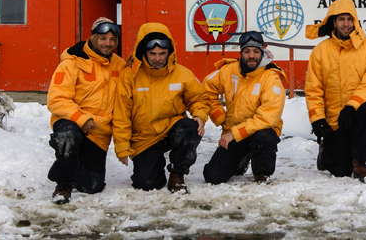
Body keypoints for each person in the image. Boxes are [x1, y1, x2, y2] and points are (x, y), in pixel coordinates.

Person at [113, 23, 210, 193]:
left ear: (169, 52)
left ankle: (177, 174)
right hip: (144, 138)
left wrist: (200, 114)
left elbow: (199, 98)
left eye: (162, 54)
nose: (158, 59)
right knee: (148, 184)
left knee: (190, 127)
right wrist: (122, 145)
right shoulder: (129, 76)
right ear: (143, 52)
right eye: (153, 54)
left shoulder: (182, 73)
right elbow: (121, 112)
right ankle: (150, 165)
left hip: (172, 128)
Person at [304, 0, 366, 182]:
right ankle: (326, 150)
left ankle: (360, 163)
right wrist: (317, 118)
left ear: (355, 21)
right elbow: (313, 89)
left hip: (363, 110)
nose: (346, 24)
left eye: (350, 19)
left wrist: (351, 106)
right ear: (333, 22)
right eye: (341, 19)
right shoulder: (320, 51)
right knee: (340, 169)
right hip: (337, 120)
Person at [46, 17, 125, 204]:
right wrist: (81, 119)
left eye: (113, 40)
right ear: (92, 38)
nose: (108, 43)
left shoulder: (120, 65)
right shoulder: (71, 63)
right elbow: (56, 99)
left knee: (91, 187)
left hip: (99, 129)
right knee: (68, 136)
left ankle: (76, 159)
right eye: (103, 38)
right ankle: (63, 184)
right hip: (71, 121)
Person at [202, 31, 287, 184]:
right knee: (212, 176)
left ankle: (262, 173)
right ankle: (242, 158)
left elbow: (268, 117)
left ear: (262, 51)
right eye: (247, 51)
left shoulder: (271, 77)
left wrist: (234, 134)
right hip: (234, 131)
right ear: (241, 52)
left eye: (256, 51)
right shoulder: (229, 70)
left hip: (260, 131)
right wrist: (221, 118)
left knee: (264, 137)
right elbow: (206, 89)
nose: (251, 55)